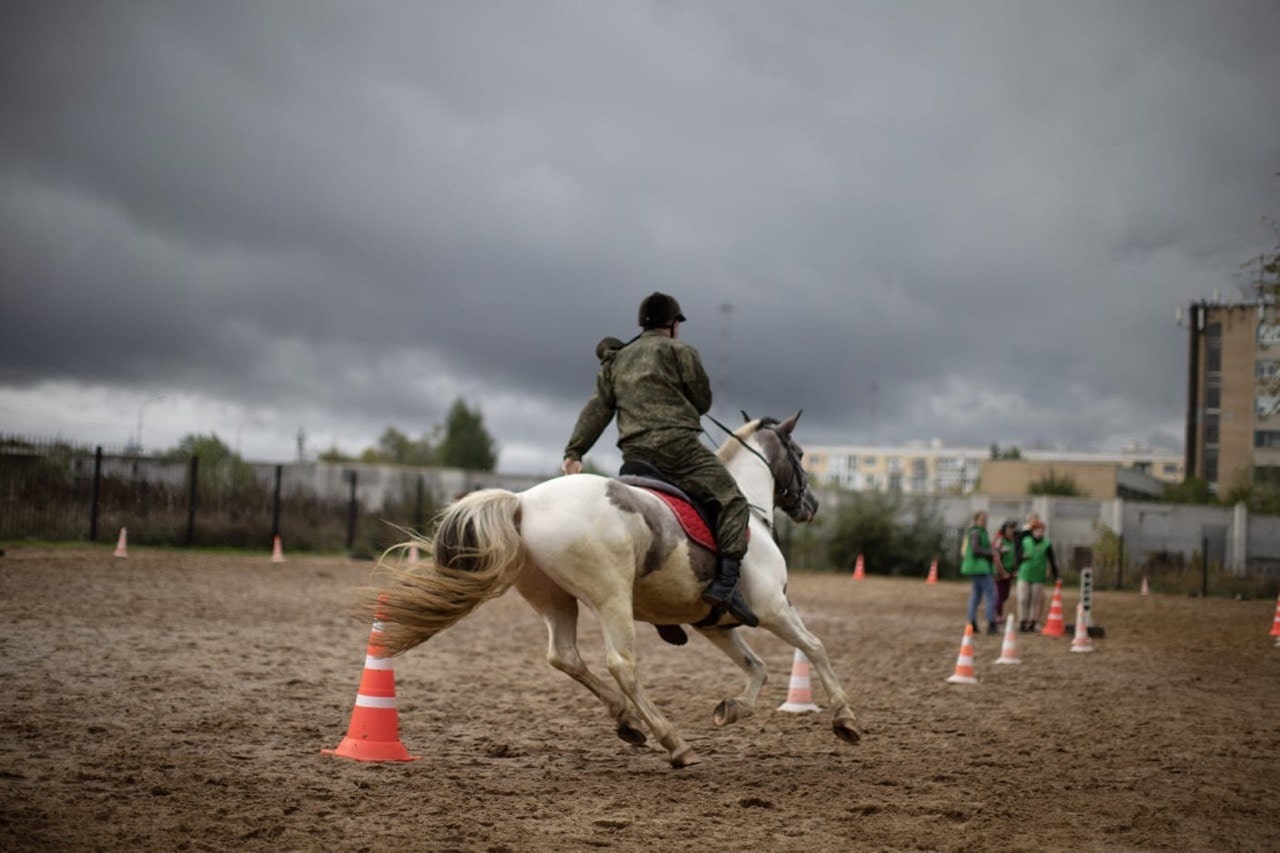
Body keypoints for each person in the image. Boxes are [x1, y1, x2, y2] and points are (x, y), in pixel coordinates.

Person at [561, 292, 757, 627]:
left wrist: (575, 451)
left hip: (635, 455)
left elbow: (598, 409)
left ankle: (663, 609)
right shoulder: (680, 351)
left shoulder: (616, 360)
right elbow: (702, 401)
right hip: (679, 452)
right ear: (674, 325)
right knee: (733, 500)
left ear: (642, 324)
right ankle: (725, 586)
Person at [1016, 519, 1060, 632]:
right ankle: (1022, 621)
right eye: (1036, 530)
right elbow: (1017, 556)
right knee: (1023, 599)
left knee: (1035, 601)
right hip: (1024, 574)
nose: (1039, 533)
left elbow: (1052, 560)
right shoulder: (1025, 541)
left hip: (1038, 576)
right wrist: (1021, 558)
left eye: (1041, 530)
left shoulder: (1047, 544)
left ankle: (1032, 622)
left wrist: (1057, 576)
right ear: (1032, 531)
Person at [959, 510, 999, 635]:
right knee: (991, 594)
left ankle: (971, 622)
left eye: (986, 519)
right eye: (982, 520)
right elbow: (976, 549)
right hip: (978, 568)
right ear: (976, 520)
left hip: (976, 568)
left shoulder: (980, 532)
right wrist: (992, 552)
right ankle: (991, 623)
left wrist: (993, 550)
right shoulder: (976, 532)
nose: (985, 522)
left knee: (976, 595)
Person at [992, 519, 1019, 619]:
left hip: (1010, 573)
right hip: (1000, 573)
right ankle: (996, 615)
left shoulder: (1013, 542)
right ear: (1005, 530)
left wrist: (1014, 570)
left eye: (1013, 529)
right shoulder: (1000, 541)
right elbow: (996, 558)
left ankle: (997, 613)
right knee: (1000, 595)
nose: (1011, 531)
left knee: (1005, 595)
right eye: (1009, 529)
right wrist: (1002, 572)